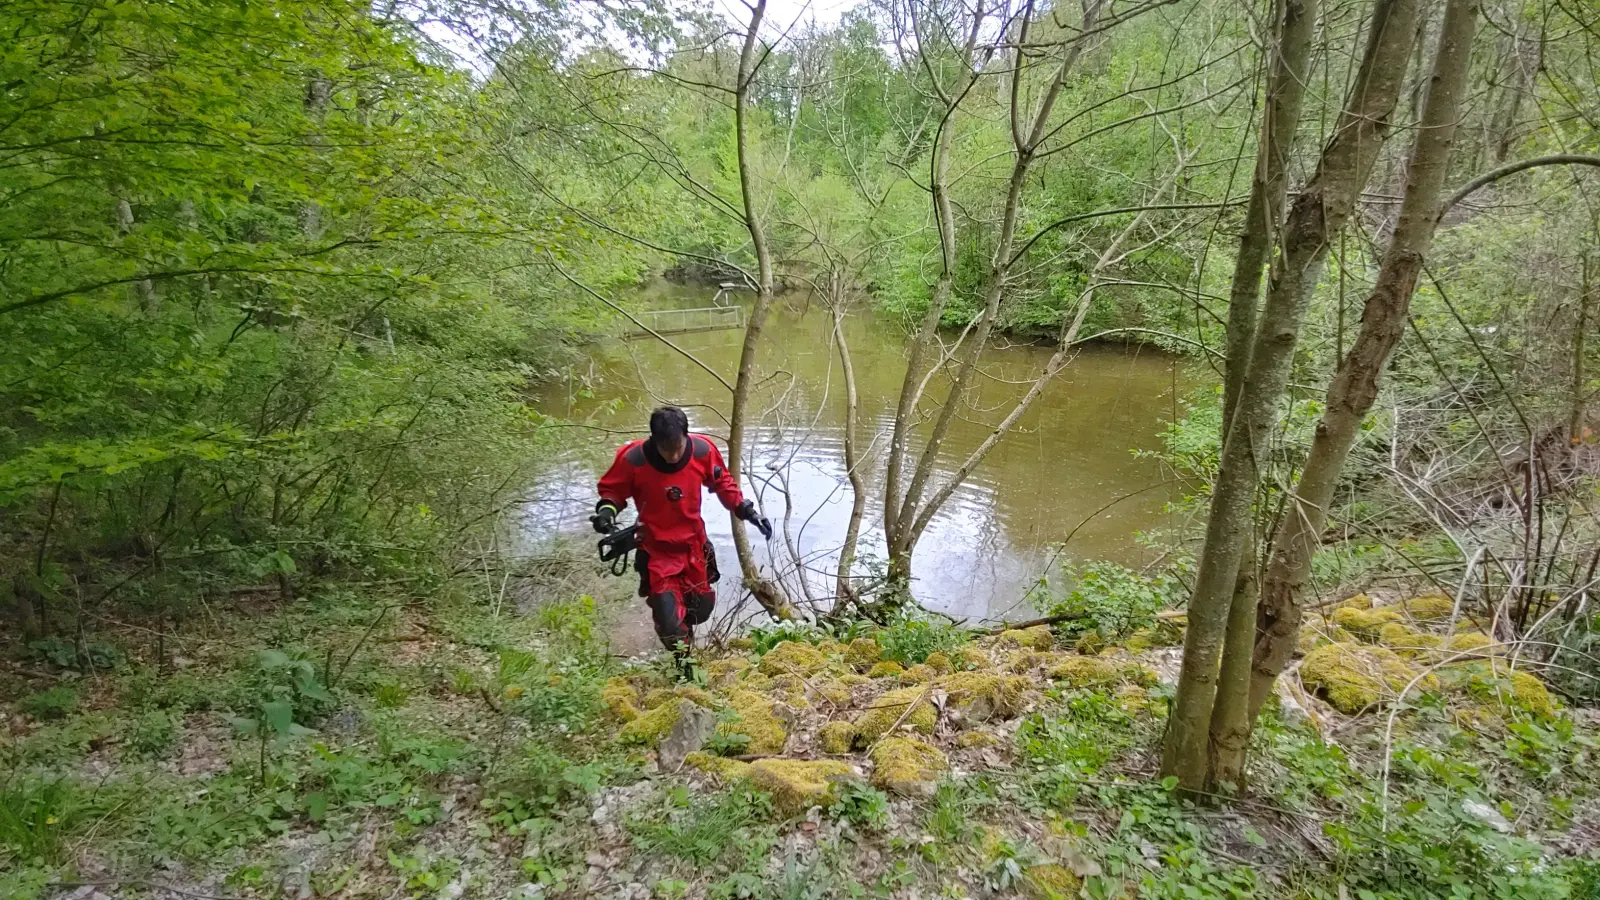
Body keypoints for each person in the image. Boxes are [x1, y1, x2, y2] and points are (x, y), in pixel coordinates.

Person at [591, 406, 772, 671]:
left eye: (678, 447)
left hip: (693, 546)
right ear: (654, 440)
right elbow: (613, 491)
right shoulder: (633, 459)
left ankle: (684, 633)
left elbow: (724, 485)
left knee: (701, 609)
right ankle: (684, 665)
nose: (674, 455)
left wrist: (747, 511)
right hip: (656, 551)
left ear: (686, 436)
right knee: (668, 620)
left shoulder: (702, 451)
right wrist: (606, 512)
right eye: (667, 450)